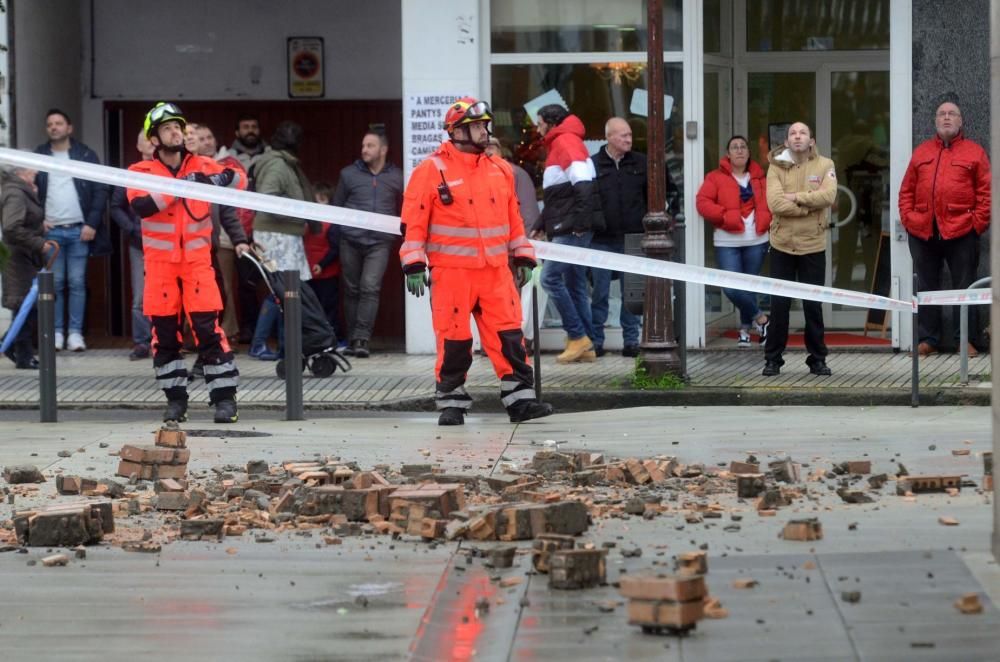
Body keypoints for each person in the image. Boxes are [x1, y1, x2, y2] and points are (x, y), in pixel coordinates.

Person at [400, 96, 552, 426]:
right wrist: (413, 263)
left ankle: (521, 401)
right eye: (478, 126)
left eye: (485, 125)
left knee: (509, 337)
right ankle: (452, 403)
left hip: (496, 272)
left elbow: (514, 221)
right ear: (457, 132)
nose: (485, 131)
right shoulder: (431, 170)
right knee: (453, 340)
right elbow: (414, 221)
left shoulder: (500, 170)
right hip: (452, 274)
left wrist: (524, 255)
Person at [127, 102, 249, 423]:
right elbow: (141, 206)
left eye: (178, 127)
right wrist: (180, 187)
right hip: (160, 269)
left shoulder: (202, 164)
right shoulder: (140, 172)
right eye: (167, 128)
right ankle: (176, 402)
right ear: (154, 138)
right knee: (165, 338)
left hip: (197, 265)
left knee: (209, 333)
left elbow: (240, 181)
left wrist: (213, 181)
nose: (176, 132)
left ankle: (225, 400)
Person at [899, 99, 991, 357]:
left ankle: (966, 340)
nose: (947, 118)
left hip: (962, 230)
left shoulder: (974, 152)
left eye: (952, 114)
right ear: (936, 121)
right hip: (922, 231)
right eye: (942, 114)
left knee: (966, 287)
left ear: (961, 121)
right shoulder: (922, 152)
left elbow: (986, 192)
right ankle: (929, 339)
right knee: (927, 286)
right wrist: (908, 217)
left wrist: (977, 224)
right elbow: (906, 190)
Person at [762, 122, 837, 377]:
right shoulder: (775, 166)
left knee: (812, 306)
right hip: (782, 244)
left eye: (802, 133)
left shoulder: (825, 165)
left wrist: (794, 196)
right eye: (792, 133)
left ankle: (817, 359)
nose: (797, 137)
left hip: (812, 245)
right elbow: (774, 203)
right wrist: (807, 206)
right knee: (779, 305)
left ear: (811, 141)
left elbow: (828, 197)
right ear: (787, 141)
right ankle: (773, 359)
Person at [531, 104, 603, 364]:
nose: (538, 129)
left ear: (551, 122)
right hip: (572, 224)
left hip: (572, 227)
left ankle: (577, 336)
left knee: (550, 278)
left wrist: (580, 225)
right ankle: (588, 343)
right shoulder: (565, 141)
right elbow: (559, 195)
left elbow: (583, 185)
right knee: (574, 284)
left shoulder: (564, 142)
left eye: (539, 123)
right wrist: (541, 223)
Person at [35, 109, 110, 352]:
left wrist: (92, 223)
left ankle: (75, 334)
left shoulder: (85, 154)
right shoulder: (39, 155)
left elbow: (100, 190)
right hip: (51, 231)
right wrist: (38, 220)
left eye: (58, 123)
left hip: (79, 230)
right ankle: (56, 333)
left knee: (77, 283)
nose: (53, 127)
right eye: (50, 124)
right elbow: (29, 189)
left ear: (70, 127)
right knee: (54, 285)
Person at [696, 135, 772, 347]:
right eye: (734, 147)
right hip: (727, 241)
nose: (739, 150)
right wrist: (724, 216)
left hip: (756, 239)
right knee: (730, 287)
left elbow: (773, 202)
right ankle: (762, 319)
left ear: (748, 152)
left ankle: (745, 331)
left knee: (748, 287)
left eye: (743, 147)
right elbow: (702, 203)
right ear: (727, 154)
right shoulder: (715, 177)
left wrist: (767, 220)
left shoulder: (760, 177)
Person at [333, 130, 403, 358]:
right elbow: (337, 206)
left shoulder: (397, 177)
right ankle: (354, 339)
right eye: (363, 145)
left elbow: (407, 208)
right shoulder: (348, 174)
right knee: (352, 290)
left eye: (370, 146)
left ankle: (362, 338)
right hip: (350, 240)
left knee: (370, 287)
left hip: (380, 242)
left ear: (383, 150)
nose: (364, 150)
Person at [249, 121, 313, 360]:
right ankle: (261, 343)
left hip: (281, 233)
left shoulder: (279, 161)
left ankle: (285, 346)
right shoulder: (278, 164)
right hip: (277, 235)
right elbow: (268, 198)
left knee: (284, 290)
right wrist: (297, 217)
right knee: (282, 290)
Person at [589, 117, 647, 357]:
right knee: (600, 294)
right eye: (623, 135)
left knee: (632, 295)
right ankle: (596, 341)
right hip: (602, 239)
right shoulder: (593, 164)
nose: (629, 139)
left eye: (630, 135)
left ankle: (631, 341)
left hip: (633, 237)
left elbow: (656, 194)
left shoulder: (641, 162)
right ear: (609, 137)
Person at [1, 164, 56, 369]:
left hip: (24, 256)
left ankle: (12, 346)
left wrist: (39, 226)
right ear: (21, 173)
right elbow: (11, 227)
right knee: (25, 306)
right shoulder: (15, 193)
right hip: (19, 258)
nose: (35, 176)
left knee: (27, 306)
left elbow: (23, 221)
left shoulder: (20, 190)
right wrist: (39, 243)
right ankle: (21, 354)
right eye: (33, 172)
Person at [109, 130, 155, 360]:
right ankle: (141, 342)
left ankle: (163, 341)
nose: (151, 142)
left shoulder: (167, 173)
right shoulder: (131, 173)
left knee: (165, 295)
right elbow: (115, 206)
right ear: (138, 146)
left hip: (164, 244)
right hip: (138, 243)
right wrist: (133, 229)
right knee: (139, 297)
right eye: (146, 139)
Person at [304, 182, 343, 341]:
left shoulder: (332, 224)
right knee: (313, 308)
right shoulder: (306, 223)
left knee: (329, 308)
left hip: (327, 274)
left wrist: (322, 265)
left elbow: (334, 249)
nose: (319, 204)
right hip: (309, 272)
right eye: (316, 200)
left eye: (323, 200)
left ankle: (334, 338)